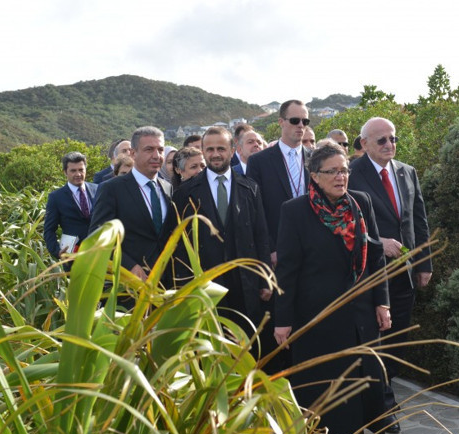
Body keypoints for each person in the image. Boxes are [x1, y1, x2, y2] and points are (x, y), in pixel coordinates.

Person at [274, 141, 390, 434]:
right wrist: (282, 319)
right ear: (314, 176)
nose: (341, 177)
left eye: (344, 170)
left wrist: (383, 302)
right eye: (332, 171)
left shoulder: (360, 203)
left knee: (357, 376)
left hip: (360, 312)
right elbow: (287, 270)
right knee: (325, 382)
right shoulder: (295, 211)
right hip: (316, 316)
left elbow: (376, 256)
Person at [348, 117, 433, 430]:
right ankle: (382, 405)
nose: (389, 145)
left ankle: (385, 389)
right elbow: (344, 222)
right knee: (375, 338)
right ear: (365, 143)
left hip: (404, 272)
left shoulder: (406, 172)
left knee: (398, 336)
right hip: (369, 272)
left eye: (393, 139)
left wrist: (424, 263)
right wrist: (377, 243)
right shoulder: (350, 174)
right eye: (381, 140)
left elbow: (418, 220)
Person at [169, 127, 271, 331]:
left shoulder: (250, 188)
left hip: (245, 282)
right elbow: (178, 243)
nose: (215, 154)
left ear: (232, 150)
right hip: (206, 284)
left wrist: (265, 278)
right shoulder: (185, 193)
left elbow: (260, 234)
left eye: (221, 149)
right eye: (210, 149)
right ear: (203, 151)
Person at [89, 126, 174, 284]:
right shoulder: (112, 189)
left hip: (165, 284)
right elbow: (99, 237)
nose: (157, 156)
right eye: (149, 149)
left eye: (160, 150)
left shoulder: (167, 188)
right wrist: (129, 266)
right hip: (128, 286)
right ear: (133, 153)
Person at [246, 99, 313, 265]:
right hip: (278, 250)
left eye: (305, 121)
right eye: (295, 120)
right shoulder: (258, 161)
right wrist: (270, 248)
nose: (300, 125)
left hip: (314, 248)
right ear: (281, 122)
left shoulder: (316, 159)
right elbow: (256, 209)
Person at [44, 151, 98, 260]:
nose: (78, 174)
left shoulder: (98, 189)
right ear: (65, 172)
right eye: (73, 171)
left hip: (99, 254)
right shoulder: (56, 197)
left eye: (81, 170)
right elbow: (49, 230)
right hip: (73, 257)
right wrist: (57, 251)